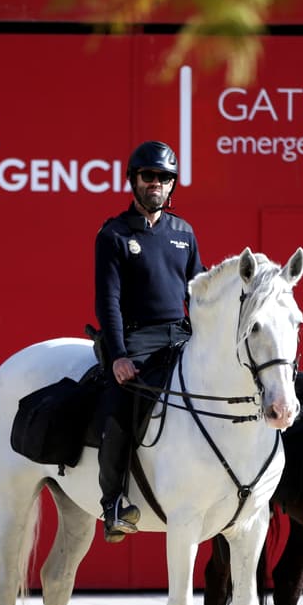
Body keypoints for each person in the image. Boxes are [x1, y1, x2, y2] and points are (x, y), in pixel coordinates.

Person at [93, 140, 202, 542]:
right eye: (148, 176)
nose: (156, 184)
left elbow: (198, 293)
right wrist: (119, 354)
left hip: (179, 334)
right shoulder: (114, 234)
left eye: (164, 178)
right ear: (133, 181)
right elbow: (108, 302)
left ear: (173, 185)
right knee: (120, 405)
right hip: (135, 338)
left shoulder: (184, 232)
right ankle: (114, 503)